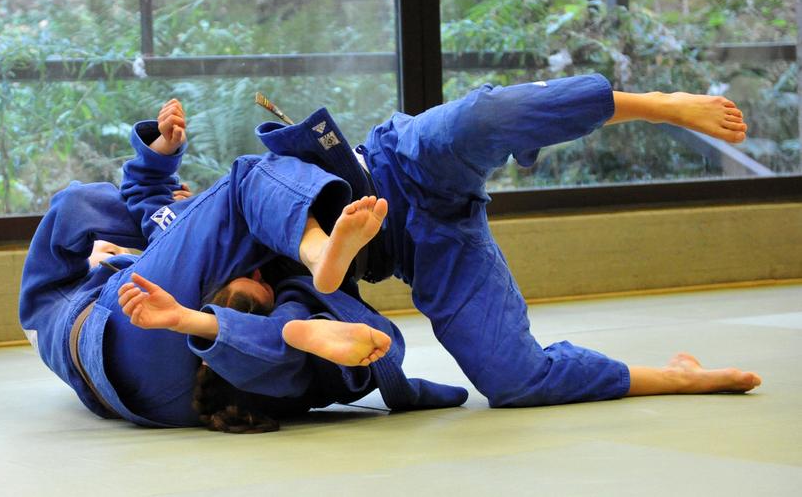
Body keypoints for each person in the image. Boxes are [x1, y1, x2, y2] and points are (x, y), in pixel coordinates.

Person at [244, 73, 761, 407]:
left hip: (400, 160)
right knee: (513, 380)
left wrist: (159, 159)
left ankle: (657, 104)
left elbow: (170, 204)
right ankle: (676, 376)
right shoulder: (267, 319)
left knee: (487, 116)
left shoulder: (217, 222)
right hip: (423, 246)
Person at [19, 99, 466, 429]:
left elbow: (135, 201)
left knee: (309, 308)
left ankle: (286, 313)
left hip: (179, 386)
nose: (251, 269)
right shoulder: (75, 302)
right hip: (167, 350)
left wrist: (159, 159)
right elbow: (106, 207)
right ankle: (311, 259)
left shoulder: (80, 301)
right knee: (248, 182)